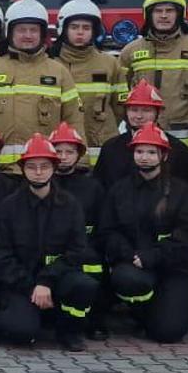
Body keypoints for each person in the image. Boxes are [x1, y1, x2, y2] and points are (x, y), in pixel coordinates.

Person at [0, 134, 99, 351]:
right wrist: (31, 286)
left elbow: (77, 250)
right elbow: (1, 255)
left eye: (45, 166)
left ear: (54, 167)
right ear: (22, 169)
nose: (38, 172)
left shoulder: (70, 205)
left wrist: (46, 281)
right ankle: (22, 316)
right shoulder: (9, 207)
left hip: (57, 279)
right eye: (32, 166)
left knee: (84, 285)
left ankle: (69, 331)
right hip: (21, 284)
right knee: (21, 333)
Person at [96, 124, 188, 343]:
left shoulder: (181, 192)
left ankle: (171, 311)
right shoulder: (119, 190)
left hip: (175, 268)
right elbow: (107, 231)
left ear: (163, 156)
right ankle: (141, 313)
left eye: (151, 152)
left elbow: (186, 235)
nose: (144, 157)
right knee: (125, 279)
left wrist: (152, 256)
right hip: (133, 265)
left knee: (168, 333)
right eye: (139, 151)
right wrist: (127, 255)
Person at [0, 0, 81, 171]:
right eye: (21, 30)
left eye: (33, 30)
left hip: (43, 171)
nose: (27, 35)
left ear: (42, 34)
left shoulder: (58, 72)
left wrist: (78, 162)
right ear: (10, 32)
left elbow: (74, 119)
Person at [118, 0, 188, 157]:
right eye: (158, 11)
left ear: (180, 14)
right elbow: (120, 98)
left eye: (170, 10)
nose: (164, 16)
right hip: (144, 146)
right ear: (148, 14)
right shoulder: (130, 51)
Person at [48, 122, 111, 338]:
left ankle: (94, 320)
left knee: (94, 266)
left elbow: (103, 224)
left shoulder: (92, 186)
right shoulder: (41, 183)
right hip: (48, 251)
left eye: (70, 151)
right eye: (58, 151)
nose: (64, 156)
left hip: (85, 249)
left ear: (79, 154)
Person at [50, 0, 126, 161]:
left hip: (103, 147)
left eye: (86, 27)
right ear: (63, 29)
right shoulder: (50, 64)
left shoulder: (109, 63)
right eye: (74, 27)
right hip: (61, 149)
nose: (80, 32)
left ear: (94, 31)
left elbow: (120, 107)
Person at [93, 80, 188, 189]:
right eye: (134, 110)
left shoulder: (178, 151)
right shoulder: (111, 148)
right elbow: (99, 192)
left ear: (159, 112)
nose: (139, 116)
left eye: (146, 110)